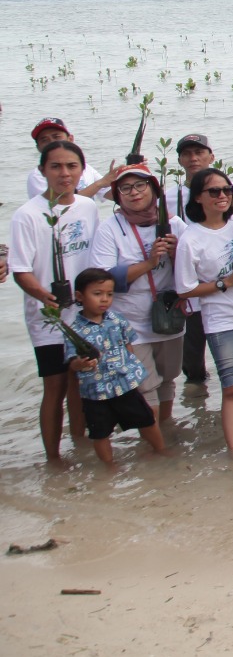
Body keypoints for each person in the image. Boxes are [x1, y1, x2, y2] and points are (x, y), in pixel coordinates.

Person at [10, 140, 102, 462]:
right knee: (55, 386)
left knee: (80, 381)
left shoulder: (88, 207)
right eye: (56, 166)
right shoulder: (27, 215)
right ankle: (53, 459)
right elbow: (20, 270)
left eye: (72, 166)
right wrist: (44, 297)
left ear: (82, 170)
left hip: (84, 313)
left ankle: (80, 446)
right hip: (48, 317)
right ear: (42, 171)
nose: (65, 173)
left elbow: (93, 259)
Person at [174, 167, 233, 462]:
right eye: (213, 191)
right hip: (221, 318)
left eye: (227, 190)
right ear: (198, 198)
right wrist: (225, 283)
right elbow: (184, 289)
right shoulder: (191, 238)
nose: (222, 196)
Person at [89, 164, 187, 424]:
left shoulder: (174, 223)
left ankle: (166, 431)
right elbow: (103, 279)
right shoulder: (110, 228)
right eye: (125, 188)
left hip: (168, 315)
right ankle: (153, 441)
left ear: (153, 188)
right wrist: (149, 263)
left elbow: (192, 272)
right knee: (145, 385)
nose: (134, 192)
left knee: (168, 378)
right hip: (130, 320)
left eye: (140, 185)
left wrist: (176, 253)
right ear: (117, 195)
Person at [64, 268, 168, 465]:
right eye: (97, 294)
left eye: (109, 294)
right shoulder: (74, 331)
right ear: (79, 296)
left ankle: (161, 450)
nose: (104, 299)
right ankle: (109, 466)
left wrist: (131, 369)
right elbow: (72, 362)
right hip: (95, 392)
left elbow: (128, 346)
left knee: (146, 420)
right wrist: (80, 364)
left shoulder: (117, 319)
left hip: (124, 386)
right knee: (100, 433)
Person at [170, 132, 218, 387]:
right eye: (187, 154)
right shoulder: (167, 197)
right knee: (192, 358)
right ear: (179, 160)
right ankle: (197, 399)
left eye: (199, 152)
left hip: (221, 285)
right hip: (187, 289)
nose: (193, 158)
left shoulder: (224, 191)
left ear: (211, 156)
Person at [25, 116, 117, 200]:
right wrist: (99, 184)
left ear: (70, 139)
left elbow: (109, 193)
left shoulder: (85, 167)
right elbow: (58, 203)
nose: (52, 142)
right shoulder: (38, 175)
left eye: (56, 137)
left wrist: (122, 181)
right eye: (44, 140)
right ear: (38, 147)